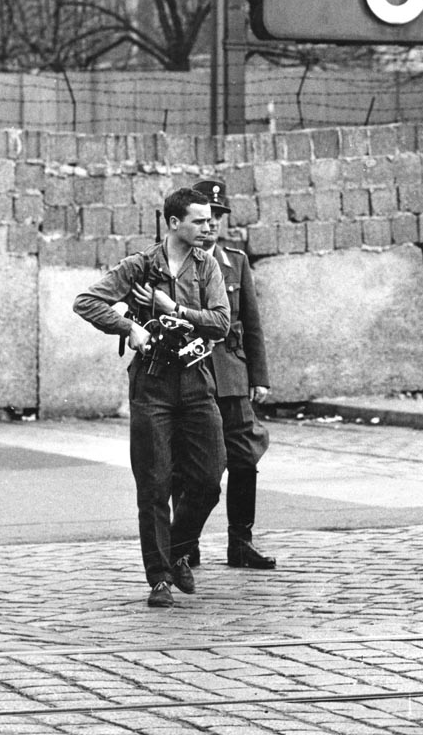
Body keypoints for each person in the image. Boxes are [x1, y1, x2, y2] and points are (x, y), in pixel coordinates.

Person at [73, 187, 230, 608]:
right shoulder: (140, 266)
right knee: (155, 482)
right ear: (174, 223)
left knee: (209, 477)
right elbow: (86, 302)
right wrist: (129, 328)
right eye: (199, 220)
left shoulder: (206, 266)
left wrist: (174, 310)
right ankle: (160, 577)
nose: (208, 226)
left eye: (209, 219)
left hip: (197, 381)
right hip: (153, 383)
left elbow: (220, 323)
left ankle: (178, 548)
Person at [188, 178, 276, 570]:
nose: (213, 225)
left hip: (234, 375)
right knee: (189, 463)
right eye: (207, 216)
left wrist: (259, 376)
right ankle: (185, 543)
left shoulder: (235, 261)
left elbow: (252, 324)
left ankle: (241, 542)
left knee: (244, 458)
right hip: (194, 373)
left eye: (219, 217)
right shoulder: (173, 261)